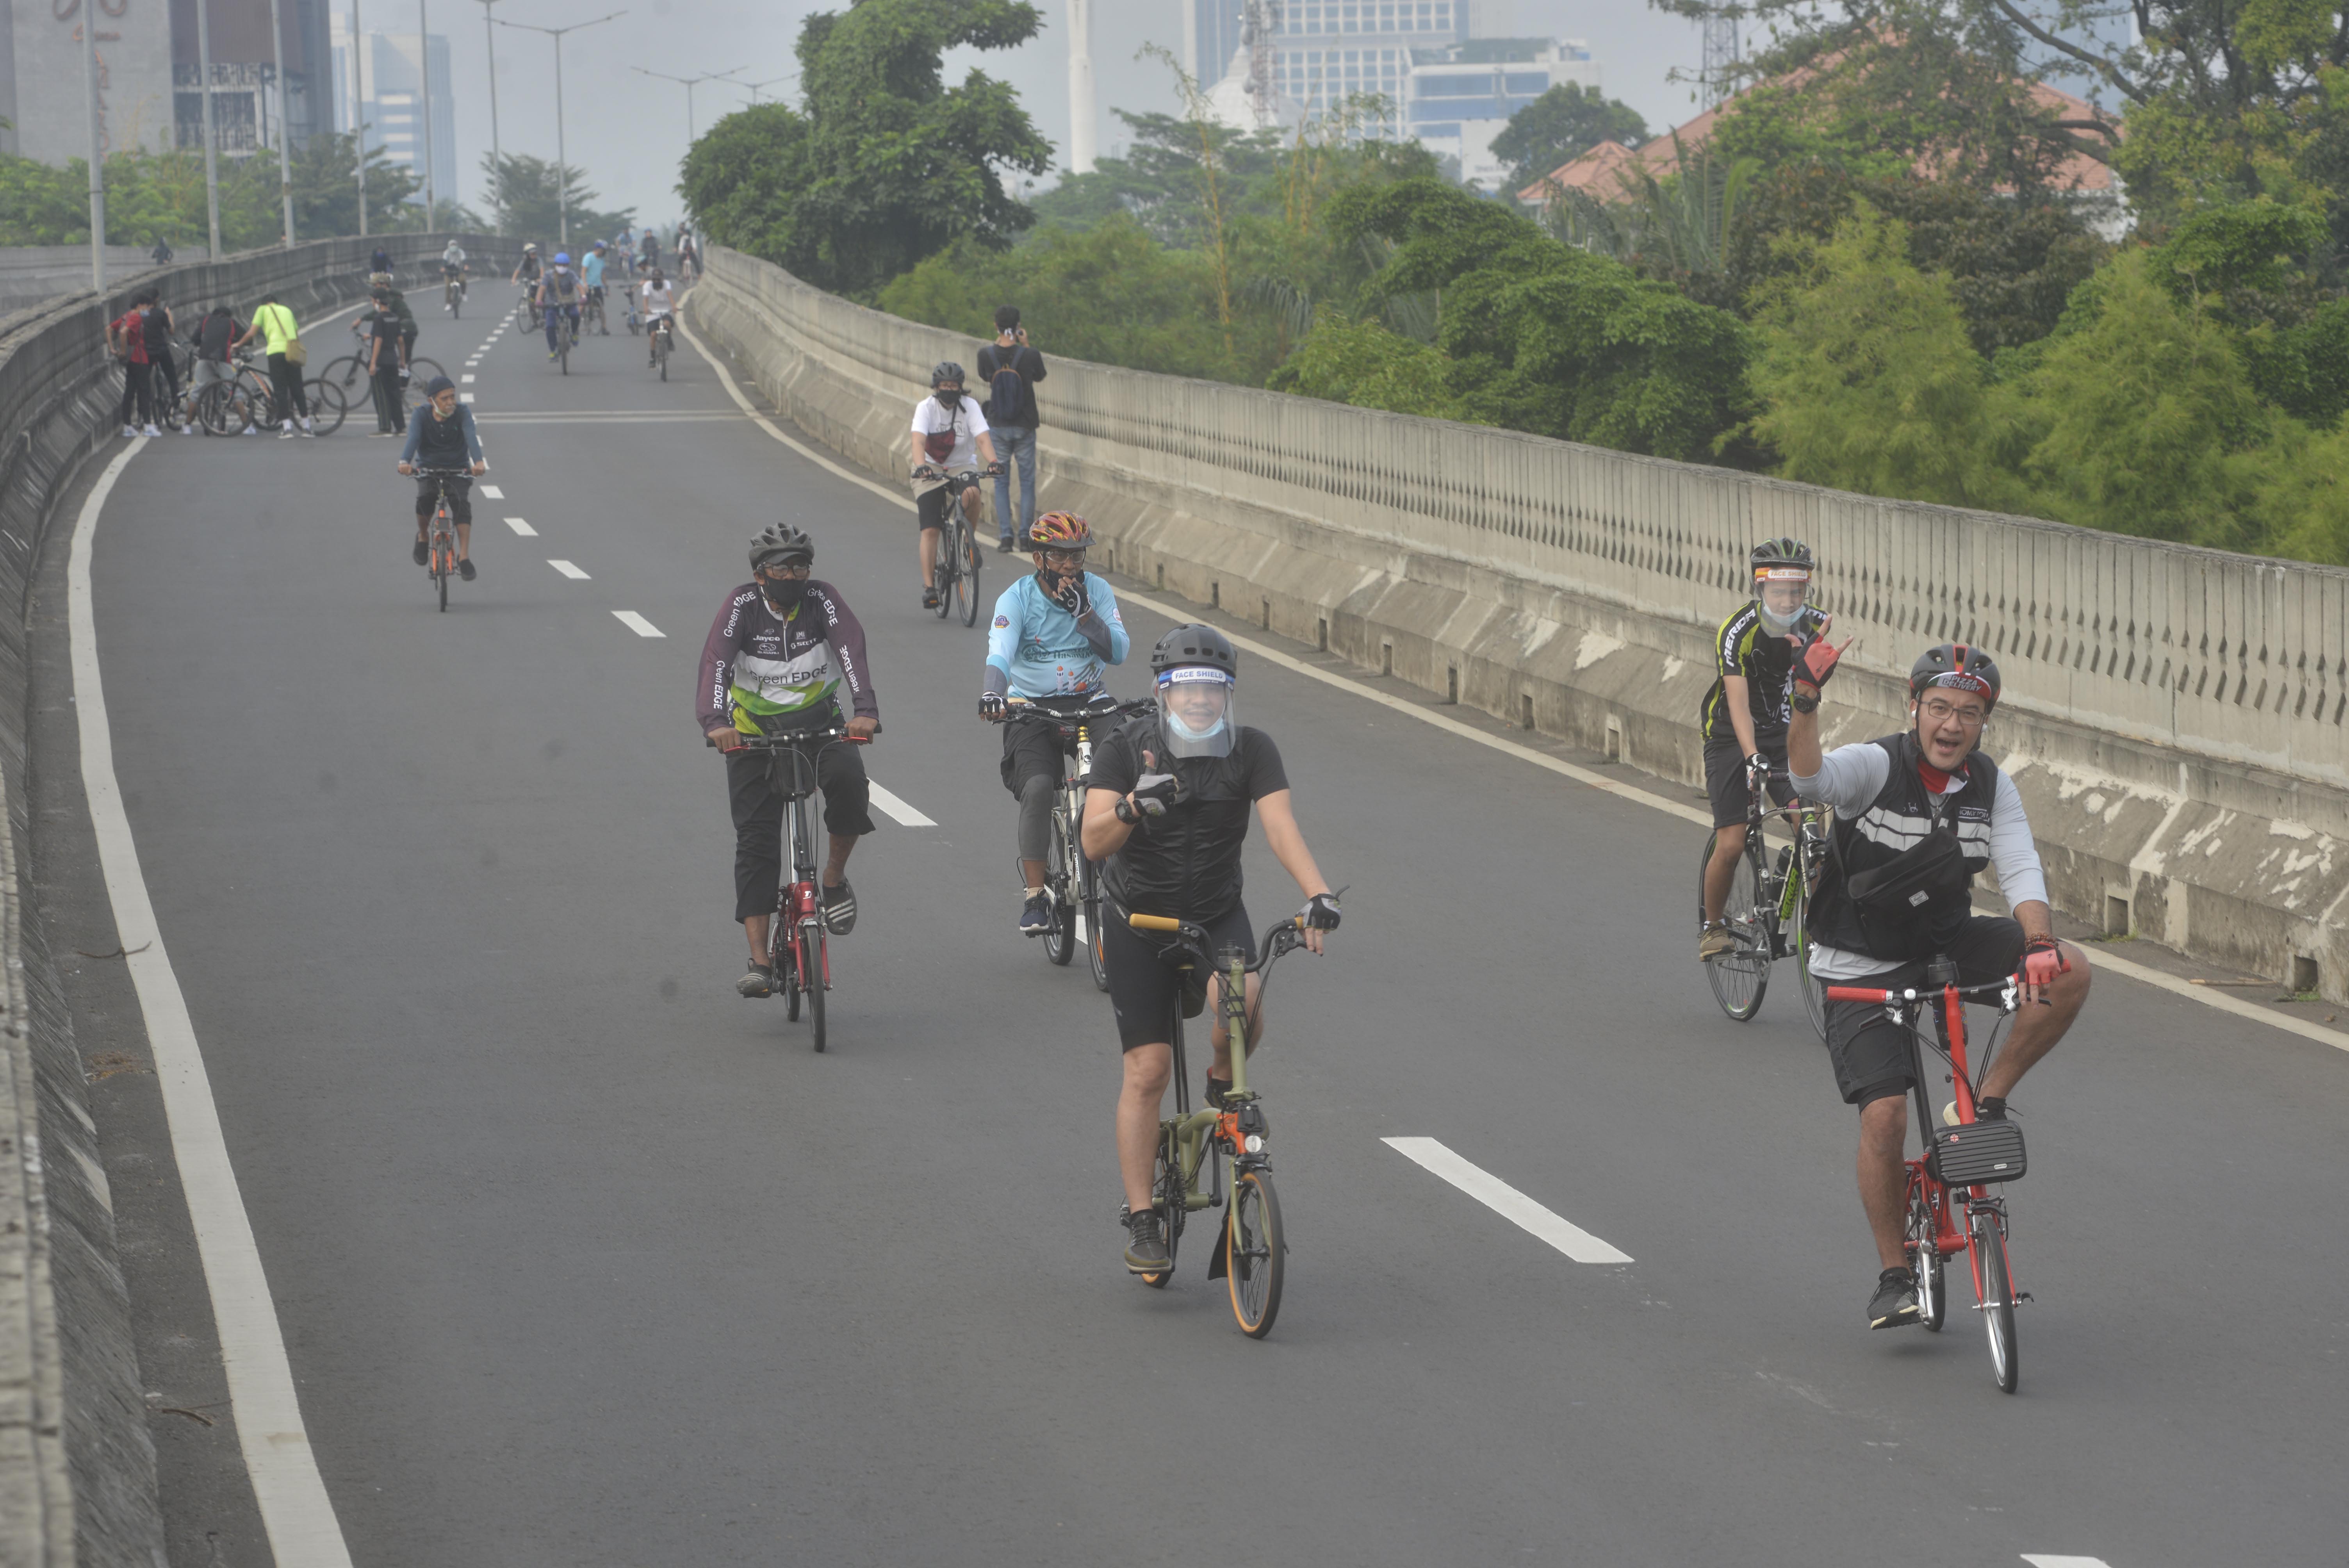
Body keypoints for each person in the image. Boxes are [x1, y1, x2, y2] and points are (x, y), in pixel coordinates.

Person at [1786, 639, 2092, 1331]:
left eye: (1969, 713)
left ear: (1985, 722)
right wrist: (1806, 700)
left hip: (1944, 945)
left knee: (2073, 969)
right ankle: (1895, 1274)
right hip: (1859, 962)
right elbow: (1807, 780)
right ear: (1914, 707)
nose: (1952, 726)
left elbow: (2020, 871)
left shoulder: (1991, 785)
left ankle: (1981, 1106)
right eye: (1940, 709)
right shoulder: (1875, 765)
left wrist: (2040, 945)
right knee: (1885, 1117)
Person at [1080, 625, 1340, 1272]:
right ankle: (1143, 1218)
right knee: (1147, 1073)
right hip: (1140, 920)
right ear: (1162, 693)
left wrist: (1317, 894)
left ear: (1228, 696)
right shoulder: (1124, 748)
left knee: (1244, 999)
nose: (1199, 700)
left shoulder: (1251, 749)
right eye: (1185, 688)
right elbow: (1091, 842)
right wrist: (1134, 811)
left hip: (1215, 913)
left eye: (1213, 689)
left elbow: (1280, 826)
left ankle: (1223, 1086)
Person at [697, 524, 882, 997]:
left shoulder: (822, 599)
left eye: (802, 566)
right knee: (757, 843)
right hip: (752, 738)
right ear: (761, 575)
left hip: (821, 726)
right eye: (783, 568)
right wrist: (716, 722)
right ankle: (759, 962)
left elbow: (851, 648)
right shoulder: (741, 606)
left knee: (849, 783)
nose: (794, 575)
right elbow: (716, 662)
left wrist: (864, 711)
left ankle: (834, 880)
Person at [978, 512, 1131, 933]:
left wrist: (1086, 617)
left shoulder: (1097, 591)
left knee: (1124, 777)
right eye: (1060, 557)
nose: (1070, 566)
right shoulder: (1017, 598)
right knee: (1040, 787)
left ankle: (1131, 872)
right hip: (1032, 706)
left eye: (1076, 556)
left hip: (1090, 700)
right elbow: (1000, 652)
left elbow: (1118, 652)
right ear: (1038, 558)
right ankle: (1033, 896)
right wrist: (994, 692)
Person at [1698, 538, 1828, 959]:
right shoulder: (1736, 630)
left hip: (1782, 732)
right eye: (1778, 589)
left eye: (1797, 589)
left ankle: (1823, 926)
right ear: (1760, 589)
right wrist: (1752, 754)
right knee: (1733, 842)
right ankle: (1712, 925)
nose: (1789, 598)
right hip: (1731, 736)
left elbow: (1807, 696)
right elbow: (1737, 703)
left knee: (1812, 830)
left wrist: (1812, 661)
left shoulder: (1816, 625)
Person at [908, 362, 1000, 609]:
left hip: (962, 466)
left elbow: (982, 438)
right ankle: (930, 588)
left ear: (961, 388)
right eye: (944, 386)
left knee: (973, 493)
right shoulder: (926, 408)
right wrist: (921, 466)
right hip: (929, 467)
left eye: (954, 386)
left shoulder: (970, 407)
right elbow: (918, 441)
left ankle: (968, 541)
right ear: (936, 387)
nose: (949, 389)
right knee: (931, 529)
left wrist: (993, 461)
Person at [397, 376, 486, 579]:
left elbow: (471, 435)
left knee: (461, 503)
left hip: (459, 468)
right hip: (429, 467)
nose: (450, 402)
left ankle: (463, 557)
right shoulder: (421, 414)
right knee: (425, 501)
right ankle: (423, 536)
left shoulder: (462, 412)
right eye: (445, 399)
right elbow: (414, 438)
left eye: (452, 397)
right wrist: (405, 462)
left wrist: (478, 462)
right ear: (432, 401)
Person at [976, 305, 1046, 552]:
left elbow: (987, 377)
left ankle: (1006, 537)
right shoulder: (1030, 355)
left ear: (996, 326)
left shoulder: (986, 355)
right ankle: (1026, 538)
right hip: (1025, 424)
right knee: (1027, 482)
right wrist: (1026, 345)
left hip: (998, 424)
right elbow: (1040, 376)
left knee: (1001, 482)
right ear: (1018, 327)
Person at [232, 291, 312, 438]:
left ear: (264, 303)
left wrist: (238, 344)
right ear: (276, 302)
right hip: (291, 351)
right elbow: (295, 332)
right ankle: (307, 427)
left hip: (275, 352)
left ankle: (287, 428)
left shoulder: (262, 310)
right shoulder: (287, 310)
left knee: (280, 390)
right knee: (297, 389)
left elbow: (251, 333)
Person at [108, 292, 159, 439]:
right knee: (144, 391)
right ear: (140, 306)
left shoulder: (127, 316)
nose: (148, 311)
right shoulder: (136, 317)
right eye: (148, 307)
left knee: (129, 392)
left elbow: (109, 329)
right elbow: (124, 332)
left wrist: (113, 349)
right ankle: (148, 426)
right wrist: (123, 351)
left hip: (130, 361)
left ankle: (128, 426)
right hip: (139, 358)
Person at [364, 287, 410, 437]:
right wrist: (402, 360)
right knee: (395, 394)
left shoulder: (379, 318)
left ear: (377, 301)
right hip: (393, 360)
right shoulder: (394, 317)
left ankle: (384, 427)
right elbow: (401, 341)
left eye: (373, 300)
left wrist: (373, 362)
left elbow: (379, 340)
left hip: (381, 361)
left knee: (380, 394)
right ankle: (400, 426)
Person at [189, 302, 244, 421]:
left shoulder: (206, 320)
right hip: (223, 359)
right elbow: (246, 338)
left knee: (196, 392)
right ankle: (247, 426)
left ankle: (187, 426)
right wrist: (234, 343)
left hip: (204, 357)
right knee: (235, 392)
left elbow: (194, 339)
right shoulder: (231, 323)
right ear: (228, 316)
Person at [142, 292, 185, 433]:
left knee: (143, 382)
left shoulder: (141, 315)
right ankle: (176, 406)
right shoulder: (161, 314)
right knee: (172, 377)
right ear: (156, 300)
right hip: (161, 350)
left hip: (147, 352)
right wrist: (169, 315)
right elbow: (171, 331)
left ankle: (143, 413)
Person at [369, 270, 419, 367]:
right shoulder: (392, 294)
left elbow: (383, 316)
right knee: (406, 361)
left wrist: (371, 335)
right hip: (410, 327)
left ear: (384, 285)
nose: (375, 288)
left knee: (388, 349)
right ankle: (404, 375)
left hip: (405, 326)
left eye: (376, 285)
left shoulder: (389, 297)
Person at [538, 254, 583, 358]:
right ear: (555, 265)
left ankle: (575, 333)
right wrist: (539, 300)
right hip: (552, 305)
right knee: (550, 327)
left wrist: (584, 296)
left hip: (569, 304)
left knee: (576, 315)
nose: (562, 267)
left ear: (568, 265)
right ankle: (553, 350)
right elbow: (542, 289)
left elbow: (579, 286)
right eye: (560, 265)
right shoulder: (548, 275)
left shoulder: (571, 275)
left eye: (565, 265)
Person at [639, 268, 675, 364]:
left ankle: (669, 340)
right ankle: (652, 357)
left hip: (665, 310)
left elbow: (669, 295)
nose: (657, 282)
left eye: (659, 280)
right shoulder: (647, 286)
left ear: (662, 279)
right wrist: (646, 309)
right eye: (654, 279)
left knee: (667, 324)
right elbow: (645, 298)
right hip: (652, 313)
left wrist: (674, 307)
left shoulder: (667, 284)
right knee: (653, 335)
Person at [582, 242, 609, 333]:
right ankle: (576, 326)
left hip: (597, 285)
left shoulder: (602, 260)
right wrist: (585, 283)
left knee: (601, 307)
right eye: (603, 250)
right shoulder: (589, 257)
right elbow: (583, 271)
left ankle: (604, 328)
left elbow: (603, 274)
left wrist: (606, 286)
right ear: (598, 249)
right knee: (582, 305)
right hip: (587, 285)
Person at [440, 239, 469, 311]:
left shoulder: (461, 252)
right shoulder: (446, 253)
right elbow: (444, 262)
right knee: (448, 286)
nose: (453, 247)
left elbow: (464, 260)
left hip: (459, 270)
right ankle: (448, 304)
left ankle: (463, 294)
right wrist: (443, 268)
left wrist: (465, 266)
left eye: (454, 245)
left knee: (463, 280)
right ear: (449, 246)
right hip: (449, 271)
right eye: (452, 245)